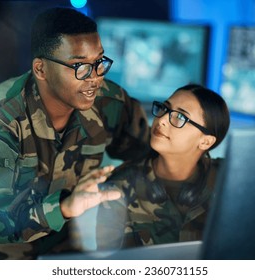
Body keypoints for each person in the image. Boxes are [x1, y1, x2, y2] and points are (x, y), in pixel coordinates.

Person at [0, 7, 150, 259]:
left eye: (99, 62)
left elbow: (149, 154)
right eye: (79, 66)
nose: (94, 78)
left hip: (61, 233)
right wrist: (65, 207)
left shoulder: (109, 101)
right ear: (41, 70)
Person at [95, 84, 230, 249]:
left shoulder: (229, 179)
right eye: (164, 109)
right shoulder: (119, 185)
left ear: (205, 141)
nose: (162, 120)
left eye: (180, 117)